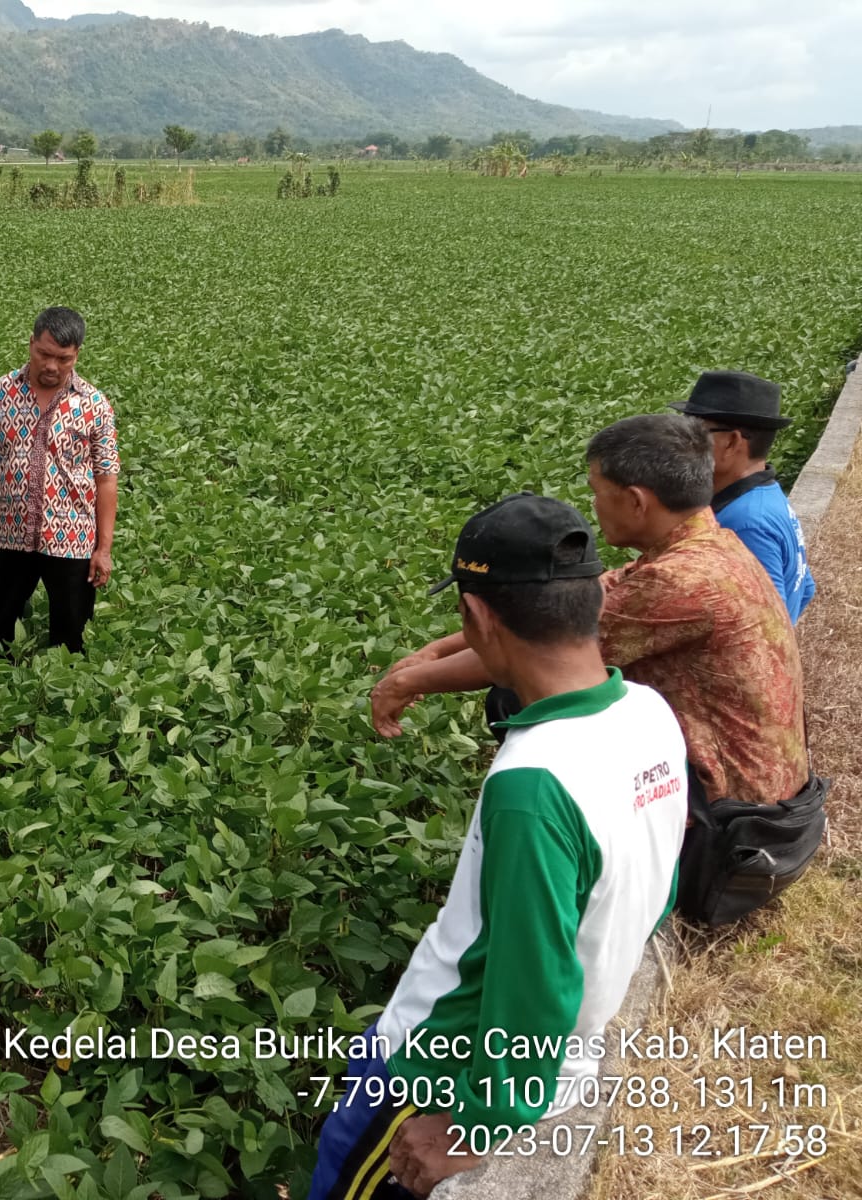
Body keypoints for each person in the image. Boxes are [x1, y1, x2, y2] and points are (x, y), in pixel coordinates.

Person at [308, 494, 688, 1200]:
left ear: (477, 616)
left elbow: (529, 980)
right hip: (570, 1058)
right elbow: (657, 886)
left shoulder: (533, 782)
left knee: (344, 1174)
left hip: (438, 1065)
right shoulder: (649, 711)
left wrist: (476, 1124)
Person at [372, 414, 819, 925]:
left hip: (732, 833)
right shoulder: (708, 547)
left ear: (635, 500)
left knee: (524, 694)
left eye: (597, 491)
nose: (592, 505)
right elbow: (579, 601)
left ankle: (558, 864)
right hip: (770, 809)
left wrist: (407, 682)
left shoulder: (682, 582)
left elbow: (540, 647)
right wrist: (434, 651)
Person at [0, 307, 120, 654]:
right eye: (43, 354)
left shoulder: (95, 405)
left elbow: (106, 478)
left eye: (62, 358)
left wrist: (103, 549)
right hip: (8, 533)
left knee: (71, 634)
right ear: (31, 343)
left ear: (77, 353)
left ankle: (64, 699)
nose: (51, 366)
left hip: (73, 537)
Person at [669, 370, 815, 622]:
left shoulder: (745, 522)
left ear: (731, 442)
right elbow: (806, 589)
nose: (679, 441)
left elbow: (766, 626)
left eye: (692, 431)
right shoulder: (767, 498)